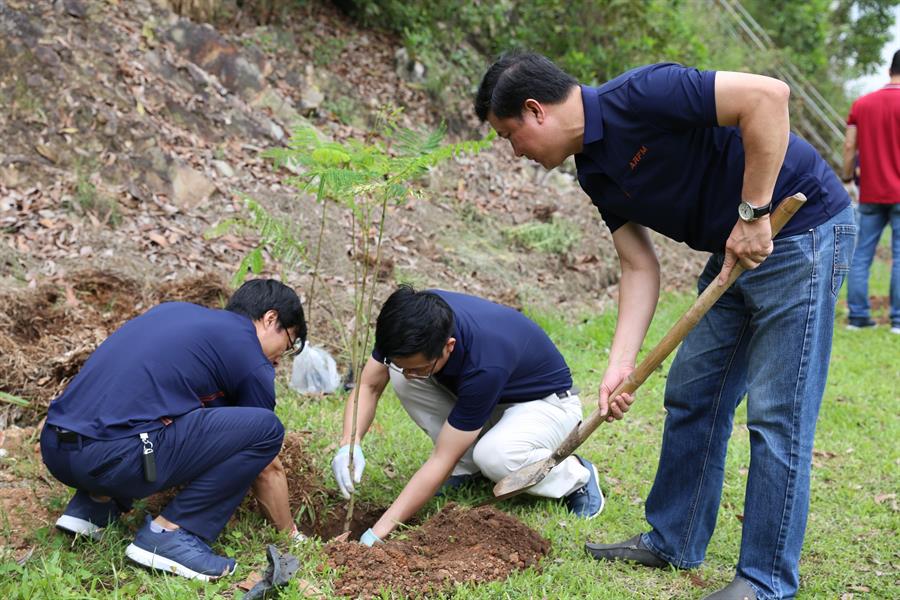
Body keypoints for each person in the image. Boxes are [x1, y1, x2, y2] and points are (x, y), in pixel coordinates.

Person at [475, 52, 854, 600]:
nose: (516, 152)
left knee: (778, 414)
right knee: (693, 393)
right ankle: (674, 539)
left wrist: (753, 214)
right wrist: (619, 364)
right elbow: (638, 265)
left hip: (801, 232)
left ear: (535, 111)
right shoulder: (595, 172)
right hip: (735, 251)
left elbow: (767, 98)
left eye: (511, 136)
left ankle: (765, 580)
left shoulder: (647, 93)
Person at [41, 278, 307, 581]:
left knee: (157, 413)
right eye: (287, 343)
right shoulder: (249, 355)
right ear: (270, 319)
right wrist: (289, 533)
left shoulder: (173, 314)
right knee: (267, 430)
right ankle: (170, 534)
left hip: (55, 447)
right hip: (111, 459)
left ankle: (92, 506)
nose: (277, 359)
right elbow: (265, 464)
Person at [331, 286, 604, 547]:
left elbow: (441, 458)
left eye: (421, 368)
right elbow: (368, 385)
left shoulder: (485, 363)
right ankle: (468, 466)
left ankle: (574, 476)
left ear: (449, 346)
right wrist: (349, 443)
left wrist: (376, 534)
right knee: (401, 379)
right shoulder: (408, 321)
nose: (412, 373)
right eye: (405, 365)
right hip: (490, 398)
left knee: (496, 455)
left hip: (544, 404)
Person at [842, 49, 900, 333]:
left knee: (861, 255)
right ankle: (898, 321)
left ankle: (858, 317)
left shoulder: (862, 104)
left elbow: (849, 146)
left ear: (890, 69)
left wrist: (846, 178)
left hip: (871, 192)